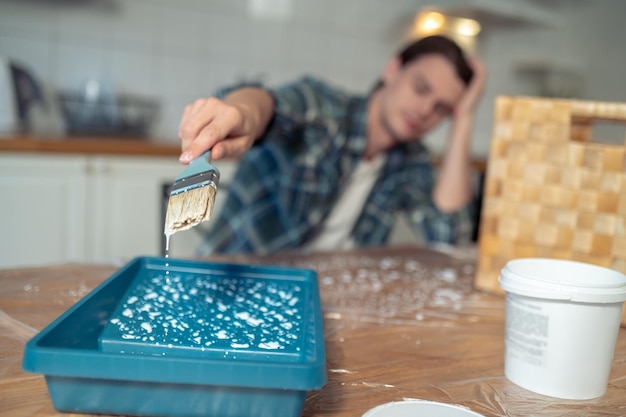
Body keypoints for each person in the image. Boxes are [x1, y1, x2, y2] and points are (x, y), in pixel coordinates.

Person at [177, 35, 486, 255]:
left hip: (326, 306)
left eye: (442, 109)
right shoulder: (327, 111)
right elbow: (269, 104)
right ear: (393, 70)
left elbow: (448, 238)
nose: (425, 111)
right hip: (235, 285)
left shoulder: (411, 160)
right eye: (420, 88)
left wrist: (465, 118)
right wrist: (242, 112)